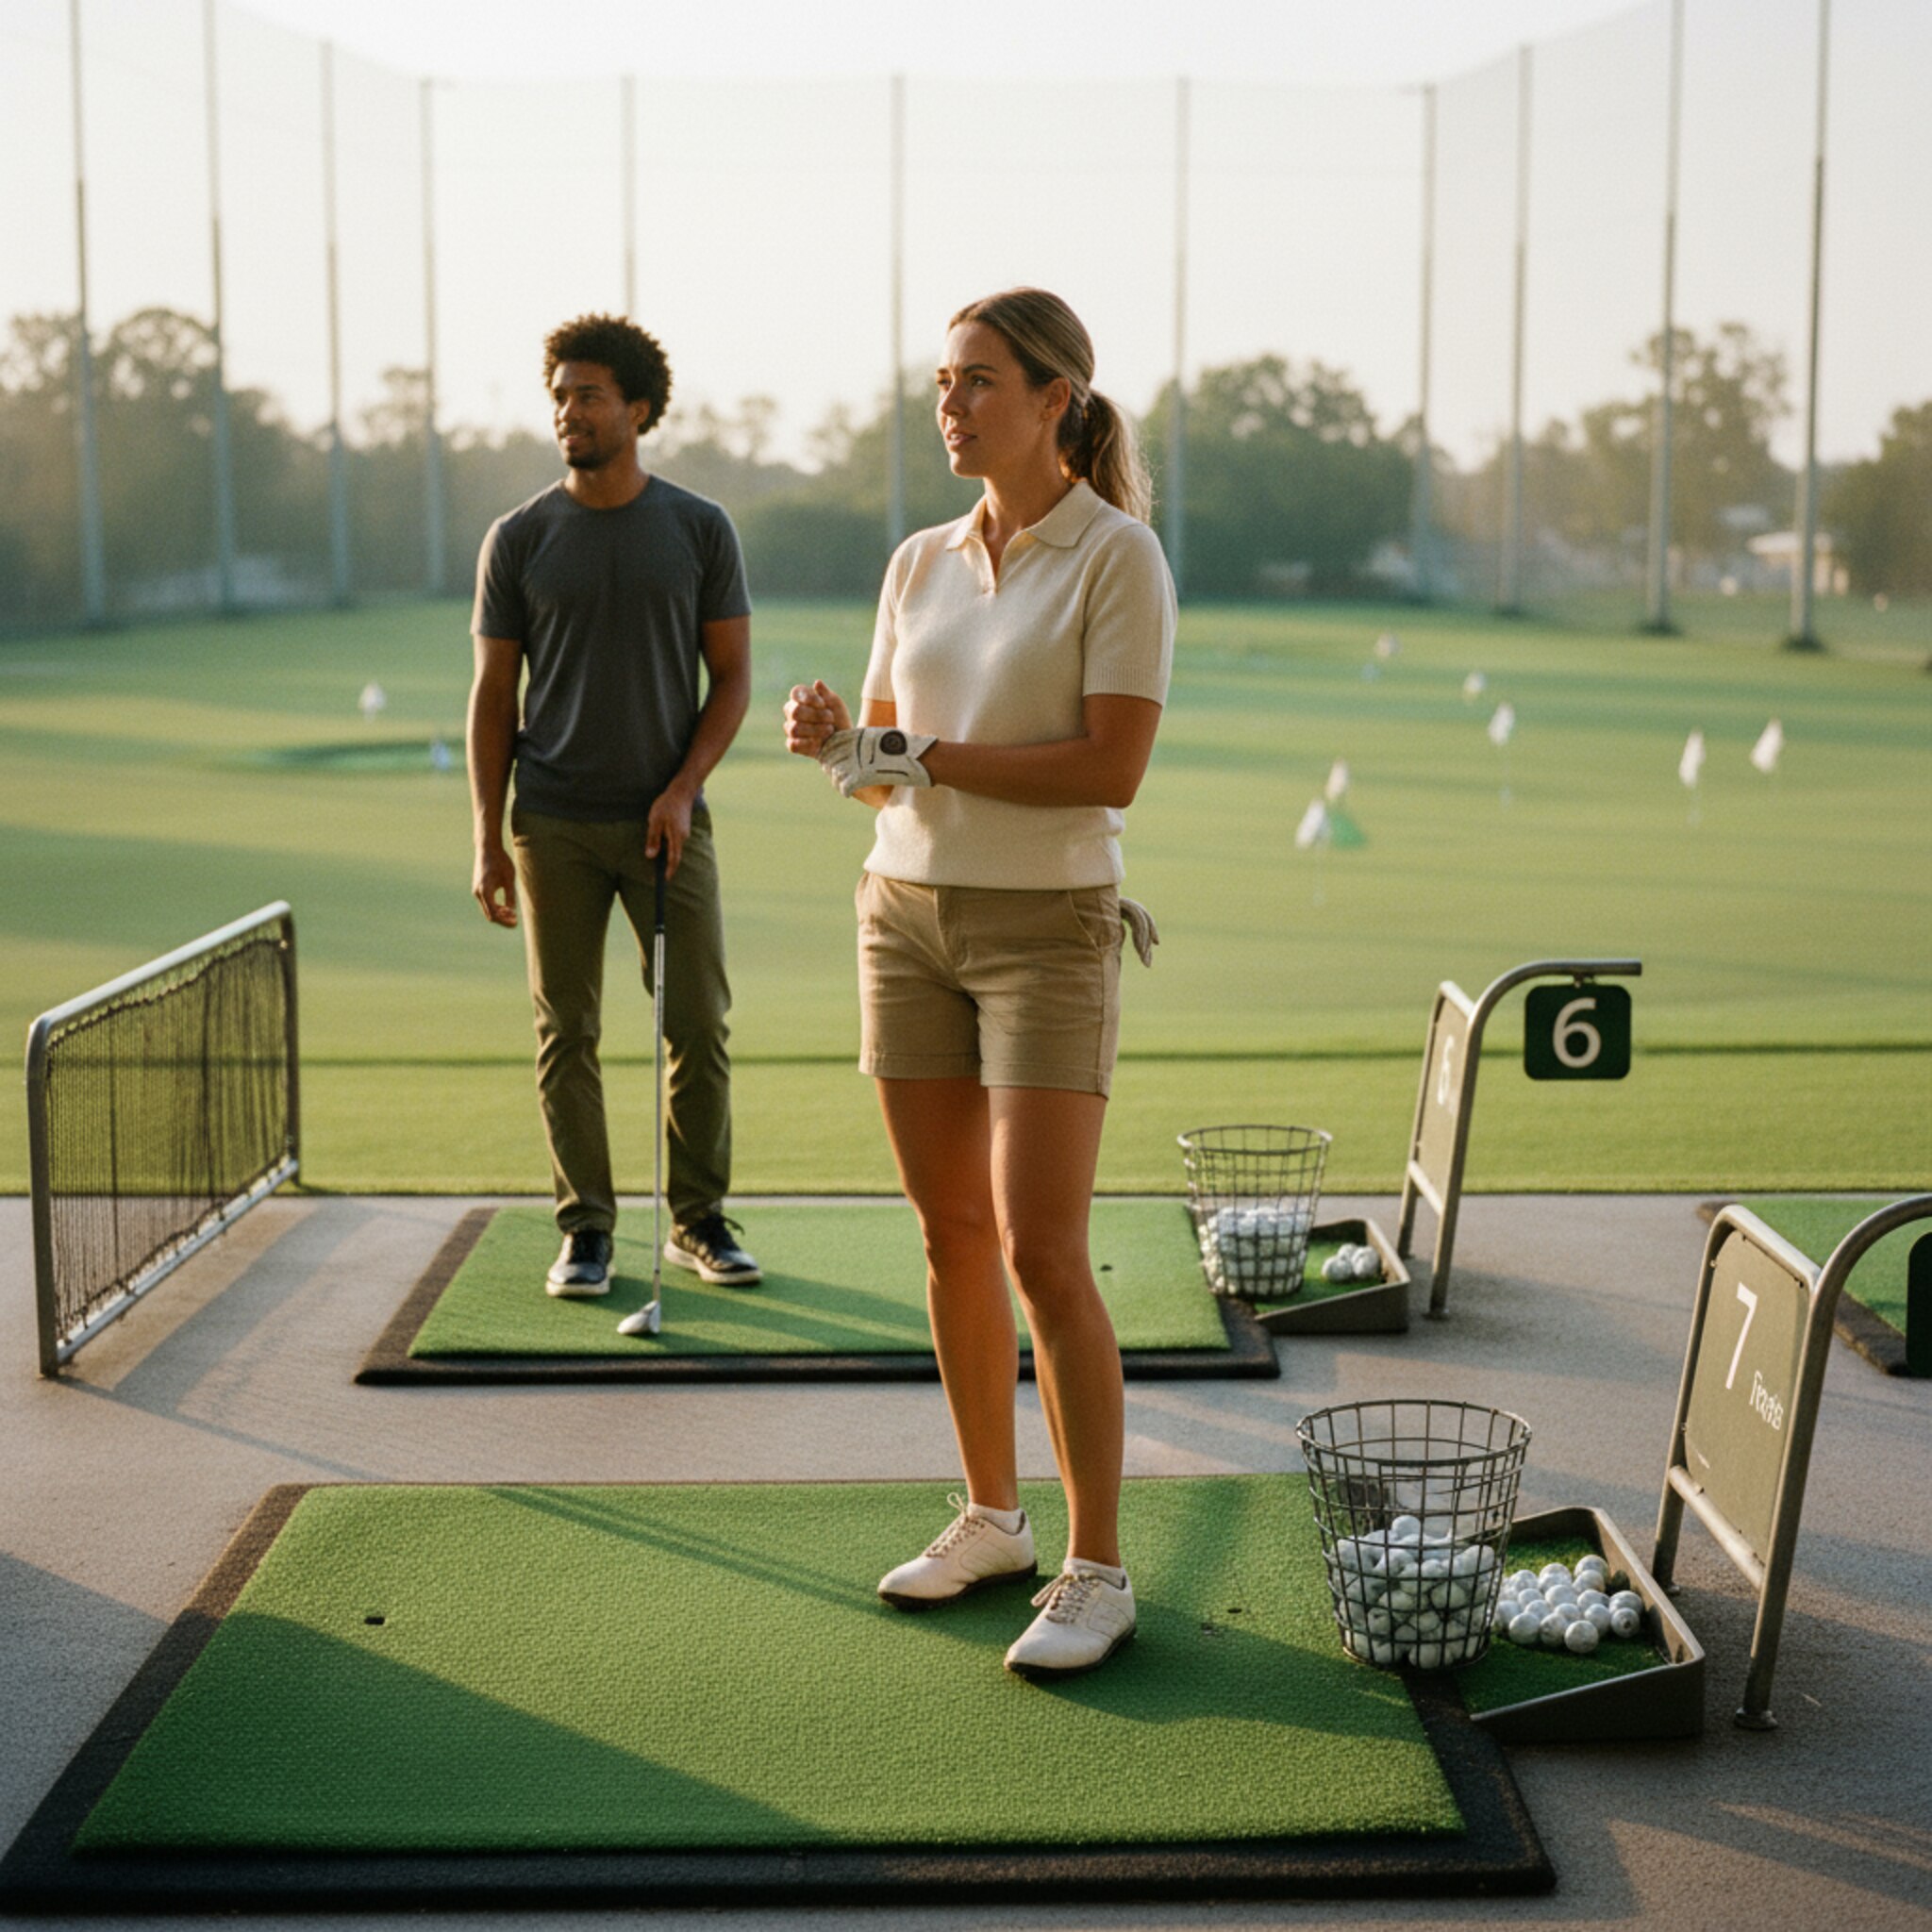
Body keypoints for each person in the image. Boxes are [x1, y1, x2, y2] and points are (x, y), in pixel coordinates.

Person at [783, 288, 1174, 1679]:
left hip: (1047, 927)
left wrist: (919, 756)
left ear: (1055, 397)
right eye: (943, 384)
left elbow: (1107, 766)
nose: (951, 406)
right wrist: (837, 740)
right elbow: (880, 765)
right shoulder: (920, 558)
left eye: (979, 383)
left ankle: (1096, 1567)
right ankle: (994, 1521)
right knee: (950, 1236)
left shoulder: (1118, 557)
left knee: (1043, 1251)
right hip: (904, 915)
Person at [469, 312, 760, 1298]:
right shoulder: (518, 538)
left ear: (637, 408)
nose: (568, 412)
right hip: (550, 820)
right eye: (558, 395)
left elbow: (730, 681)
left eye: (587, 395)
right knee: (568, 1031)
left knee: (696, 1023)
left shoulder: (696, 527)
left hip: (664, 822)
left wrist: (683, 788)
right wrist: (487, 838)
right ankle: (585, 1228)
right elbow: (491, 698)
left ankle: (698, 1220)